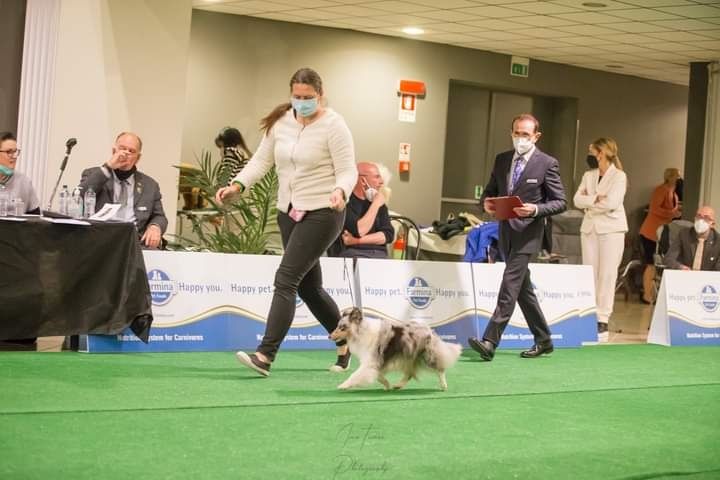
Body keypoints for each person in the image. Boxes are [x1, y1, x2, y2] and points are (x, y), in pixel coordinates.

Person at [215, 67, 357, 377]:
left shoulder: (334, 125)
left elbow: (348, 170)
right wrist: (237, 185)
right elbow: (262, 161)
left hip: (324, 211)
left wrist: (340, 190)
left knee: (286, 279)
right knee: (310, 288)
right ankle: (344, 341)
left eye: (308, 98)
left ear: (320, 96)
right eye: (297, 97)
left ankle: (265, 355)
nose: (302, 102)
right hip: (289, 211)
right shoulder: (281, 122)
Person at [468, 113, 567, 361]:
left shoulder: (547, 163)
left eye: (526, 134)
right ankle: (544, 340)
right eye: (517, 133)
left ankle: (490, 340)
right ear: (511, 133)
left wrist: (535, 209)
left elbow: (560, 202)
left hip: (530, 234)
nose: (520, 138)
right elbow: (490, 190)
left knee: (510, 284)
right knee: (523, 289)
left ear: (536, 136)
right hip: (505, 231)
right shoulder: (502, 160)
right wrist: (486, 203)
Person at [573, 138, 628, 342]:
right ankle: (589, 313)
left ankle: (602, 317)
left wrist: (590, 200)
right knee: (590, 272)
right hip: (589, 229)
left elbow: (613, 203)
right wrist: (595, 199)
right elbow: (577, 200)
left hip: (611, 230)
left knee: (607, 274)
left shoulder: (619, 176)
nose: (589, 154)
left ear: (601, 153)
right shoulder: (589, 175)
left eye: (591, 150)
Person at [79, 132, 168, 249]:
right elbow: (80, 197)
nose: (126, 153)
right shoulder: (93, 174)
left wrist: (155, 226)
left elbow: (159, 216)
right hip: (100, 242)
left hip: (135, 244)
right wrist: (108, 167)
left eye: (131, 151)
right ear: (113, 151)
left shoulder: (150, 185)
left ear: (138, 158)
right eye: (122, 149)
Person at [328, 161, 393, 259]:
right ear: (363, 181)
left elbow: (388, 235)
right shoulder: (344, 202)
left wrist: (356, 241)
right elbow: (360, 230)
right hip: (352, 255)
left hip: (380, 255)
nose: (382, 182)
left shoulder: (379, 202)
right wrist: (375, 205)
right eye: (377, 177)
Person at [638, 168, 681, 303]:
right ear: (669, 177)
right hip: (650, 232)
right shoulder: (660, 190)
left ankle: (654, 293)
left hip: (661, 235)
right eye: (676, 175)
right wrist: (672, 214)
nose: (679, 178)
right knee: (650, 263)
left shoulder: (674, 194)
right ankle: (647, 295)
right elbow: (654, 209)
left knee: (658, 264)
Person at [665, 206, 720, 271]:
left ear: (712, 224)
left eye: (706, 218)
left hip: (707, 279)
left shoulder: (718, 241)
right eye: (699, 216)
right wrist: (680, 267)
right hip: (684, 277)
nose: (701, 220)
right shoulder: (684, 234)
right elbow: (669, 258)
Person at [0, 132, 40, 214]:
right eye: (9, 152)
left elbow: (35, 218)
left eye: (15, 152)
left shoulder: (24, 182)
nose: (14, 157)